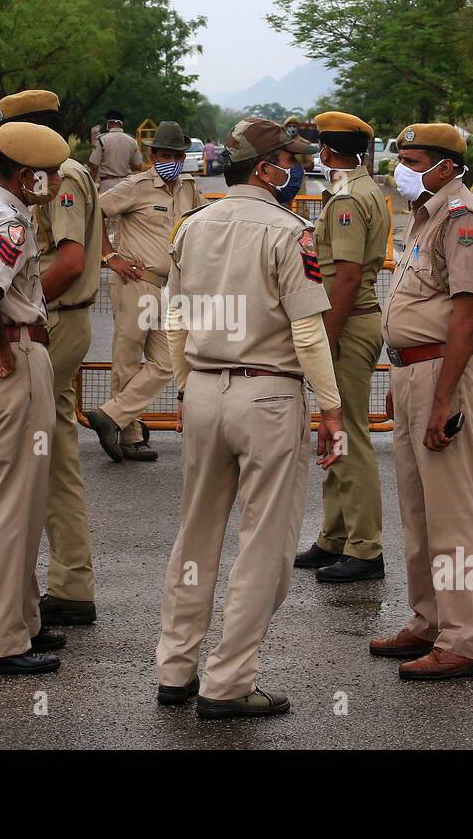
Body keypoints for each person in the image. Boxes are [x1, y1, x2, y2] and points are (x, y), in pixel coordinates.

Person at [155, 117, 344, 720]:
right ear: (264, 169)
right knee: (263, 544)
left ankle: (176, 668)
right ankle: (229, 682)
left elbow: (175, 320)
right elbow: (309, 331)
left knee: (196, 534)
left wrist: (188, 389)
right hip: (268, 395)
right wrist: (332, 408)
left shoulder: (192, 226)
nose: (294, 167)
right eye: (287, 158)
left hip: (205, 390)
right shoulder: (290, 232)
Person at [0, 89, 104, 638]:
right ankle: (51, 592)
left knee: (5, 468)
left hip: (44, 327)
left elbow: (69, 260)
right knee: (43, 458)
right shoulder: (12, 209)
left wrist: (19, 322)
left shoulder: (60, 178)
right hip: (28, 328)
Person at [371, 122, 473, 680]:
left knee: (453, 514)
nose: (403, 166)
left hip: (440, 373)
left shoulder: (462, 220)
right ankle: (429, 621)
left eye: (414, 158)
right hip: (413, 372)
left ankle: (465, 641)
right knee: (419, 511)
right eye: (401, 156)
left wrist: (441, 399)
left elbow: (467, 314)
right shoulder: (426, 217)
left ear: (446, 166)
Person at [0, 121, 72, 676]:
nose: (50, 184)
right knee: (14, 507)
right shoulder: (10, 222)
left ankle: (22, 621)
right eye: (44, 176)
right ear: (26, 175)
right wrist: (2, 345)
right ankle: (0, 642)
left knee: (17, 499)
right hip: (15, 358)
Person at [294, 112, 392, 583]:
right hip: (345, 320)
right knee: (334, 431)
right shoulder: (353, 191)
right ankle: (334, 536)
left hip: (347, 323)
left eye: (319, 146)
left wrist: (324, 338)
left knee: (348, 432)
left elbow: (348, 277)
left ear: (329, 151)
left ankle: (365, 547)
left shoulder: (349, 198)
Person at [84, 121, 202, 463]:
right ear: (153, 155)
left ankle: (112, 415)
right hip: (135, 282)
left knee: (167, 361)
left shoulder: (188, 189)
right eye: (166, 155)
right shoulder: (134, 186)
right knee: (127, 359)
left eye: (178, 155)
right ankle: (131, 436)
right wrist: (110, 256)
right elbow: (94, 214)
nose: (173, 161)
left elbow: (204, 220)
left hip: (168, 287)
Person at [88, 109, 143, 193]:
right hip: (126, 184)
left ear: (109, 123)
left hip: (107, 184)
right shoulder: (132, 141)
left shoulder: (102, 140)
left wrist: (90, 186)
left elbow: (94, 165)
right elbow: (138, 166)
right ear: (121, 124)